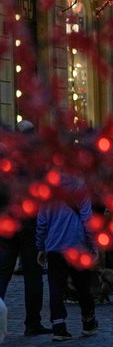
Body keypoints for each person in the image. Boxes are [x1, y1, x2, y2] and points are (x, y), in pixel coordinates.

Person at [0, 121, 50, 337]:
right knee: (33, 276)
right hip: (30, 225)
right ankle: (33, 323)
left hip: (8, 225)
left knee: (3, 275)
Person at [35, 173, 98, 341]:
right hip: (77, 245)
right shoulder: (80, 185)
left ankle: (59, 326)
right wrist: (93, 245)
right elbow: (87, 218)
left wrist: (40, 246)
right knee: (83, 286)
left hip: (54, 245)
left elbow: (41, 221)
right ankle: (88, 322)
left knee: (56, 287)